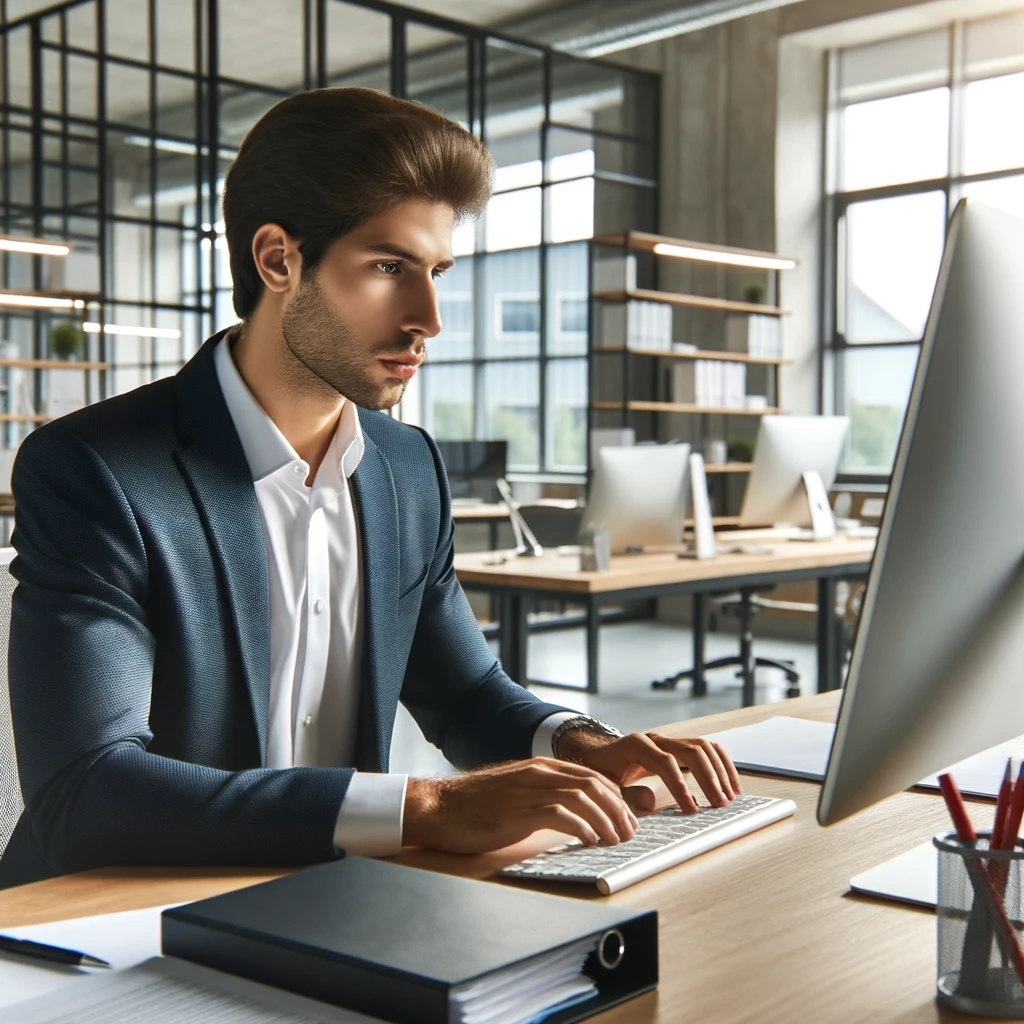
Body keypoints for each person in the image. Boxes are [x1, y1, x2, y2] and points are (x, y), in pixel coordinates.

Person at [0, 88, 739, 890]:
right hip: (103, 925)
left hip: (330, 898)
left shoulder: (407, 468)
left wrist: (581, 742)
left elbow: (464, 694)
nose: (429, 315)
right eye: (389, 267)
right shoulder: (93, 470)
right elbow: (85, 794)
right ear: (279, 259)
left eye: (436, 272)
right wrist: (423, 809)